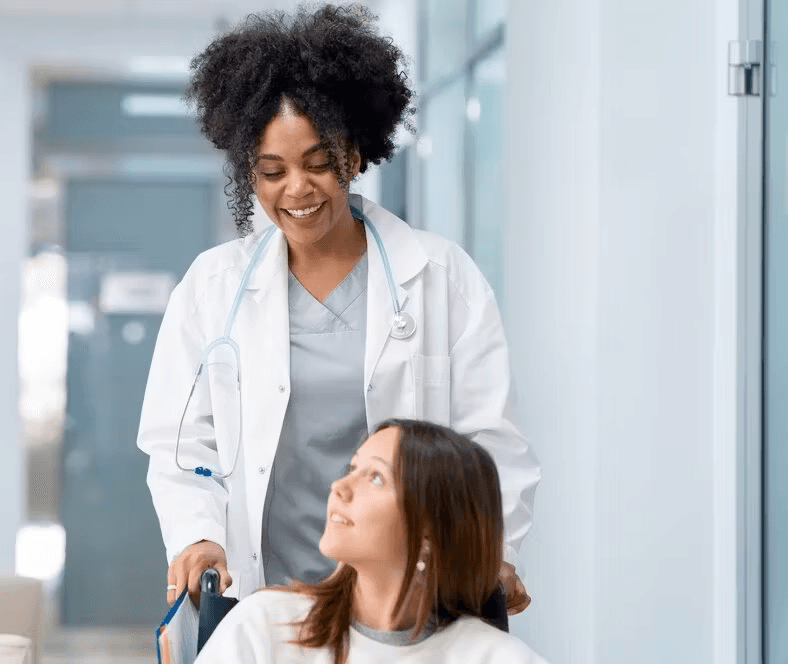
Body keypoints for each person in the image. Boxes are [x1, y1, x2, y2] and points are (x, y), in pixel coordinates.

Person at [136, 4, 540, 613]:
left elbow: (489, 441)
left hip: (408, 594)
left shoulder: (440, 276)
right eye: (271, 172)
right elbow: (181, 445)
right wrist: (197, 535)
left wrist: (495, 551)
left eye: (318, 164)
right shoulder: (211, 287)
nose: (296, 190)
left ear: (354, 156)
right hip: (264, 593)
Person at [194, 419, 549, 663]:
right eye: (352, 469)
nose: (339, 487)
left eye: (376, 478)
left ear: (430, 532)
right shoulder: (262, 628)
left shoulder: (497, 657)